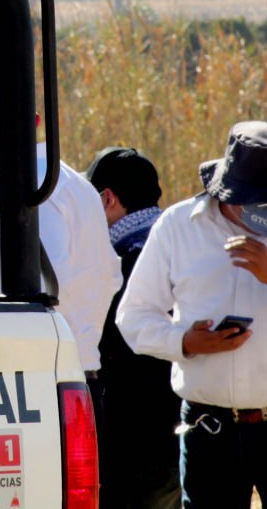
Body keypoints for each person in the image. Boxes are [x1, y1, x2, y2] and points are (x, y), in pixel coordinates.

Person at [116, 121, 267, 508]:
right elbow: (133, 316)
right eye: (255, 198)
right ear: (226, 190)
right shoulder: (180, 227)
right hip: (208, 431)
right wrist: (184, 341)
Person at [0, 71, 122, 411]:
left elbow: (39, 295)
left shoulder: (33, 193)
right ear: (35, 121)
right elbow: (109, 278)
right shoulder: (74, 186)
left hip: (42, 384)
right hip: (71, 375)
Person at [85, 146, 181, 509]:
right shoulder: (185, 244)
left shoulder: (122, 261)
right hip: (191, 429)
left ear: (107, 199)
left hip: (137, 443)